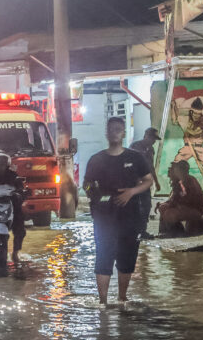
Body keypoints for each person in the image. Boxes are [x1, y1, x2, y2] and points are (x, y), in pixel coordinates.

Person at [83, 117, 153, 305]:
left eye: (118, 129)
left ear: (123, 133)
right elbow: (87, 184)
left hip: (130, 215)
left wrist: (131, 192)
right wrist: (95, 197)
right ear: (106, 133)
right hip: (104, 216)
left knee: (127, 256)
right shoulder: (96, 159)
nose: (114, 132)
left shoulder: (135, 157)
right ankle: (103, 302)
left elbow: (148, 180)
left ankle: (122, 298)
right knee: (103, 255)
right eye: (111, 129)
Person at [156, 160, 203, 236]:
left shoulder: (188, 180)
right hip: (187, 208)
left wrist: (172, 205)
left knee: (169, 213)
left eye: (174, 169)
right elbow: (175, 198)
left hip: (195, 210)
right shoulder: (181, 181)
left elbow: (187, 200)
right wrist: (166, 204)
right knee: (163, 207)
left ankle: (177, 233)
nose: (170, 172)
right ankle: (165, 232)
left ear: (180, 170)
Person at [129, 127, 162, 239]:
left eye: (155, 139)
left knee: (147, 205)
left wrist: (156, 182)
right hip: (134, 182)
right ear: (147, 136)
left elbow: (151, 167)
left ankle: (143, 231)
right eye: (153, 138)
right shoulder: (135, 147)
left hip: (145, 183)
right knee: (135, 207)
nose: (154, 141)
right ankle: (132, 231)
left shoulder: (151, 150)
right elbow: (129, 165)